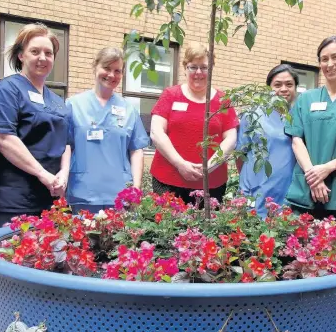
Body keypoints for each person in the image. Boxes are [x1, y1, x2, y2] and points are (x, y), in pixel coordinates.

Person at [0, 23, 70, 232]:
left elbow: (66, 141)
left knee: (44, 260)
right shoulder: (6, 90)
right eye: (35, 51)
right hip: (10, 197)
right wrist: (43, 174)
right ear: (21, 55)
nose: (42, 58)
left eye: (48, 53)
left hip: (49, 197)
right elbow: (3, 138)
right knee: (6, 259)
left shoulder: (57, 101)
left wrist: (63, 174)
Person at [285, 36, 336, 225]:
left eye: (335, 57)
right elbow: (296, 140)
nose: (329, 64)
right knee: (299, 251)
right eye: (324, 59)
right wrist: (314, 176)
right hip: (305, 191)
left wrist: (327, 168)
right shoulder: (305, 99)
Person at [149, 42, 238, 205]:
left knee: (205, 230)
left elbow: (231, 139)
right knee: (166, 229)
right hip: (168, 180)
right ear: (185, 68)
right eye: (193, 67)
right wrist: (179, 164)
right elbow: (156, 132)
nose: (198, 72)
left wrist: (208, 166)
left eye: (204, 67)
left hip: (211, 184)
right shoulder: (171, 95)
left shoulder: (223, 100)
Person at [66, 47, 149, 213]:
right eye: (106, 68)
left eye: (117, 71)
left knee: (120, 239)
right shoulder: (73, 105)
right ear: (95, 67)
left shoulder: (129, 109)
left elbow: (136, 151)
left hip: (120, 195)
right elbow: (66, 146)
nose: (111, 75)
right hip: (84, 192)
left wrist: (136, 188)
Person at [236, 64, 297, 217]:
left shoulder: (298, 117)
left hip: (286, 194)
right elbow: (240, 155)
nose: (283, 89)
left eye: (289, 84)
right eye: (277, 85)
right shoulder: (252, 116)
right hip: (256, 191)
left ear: (296, 88)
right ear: (268, 88)